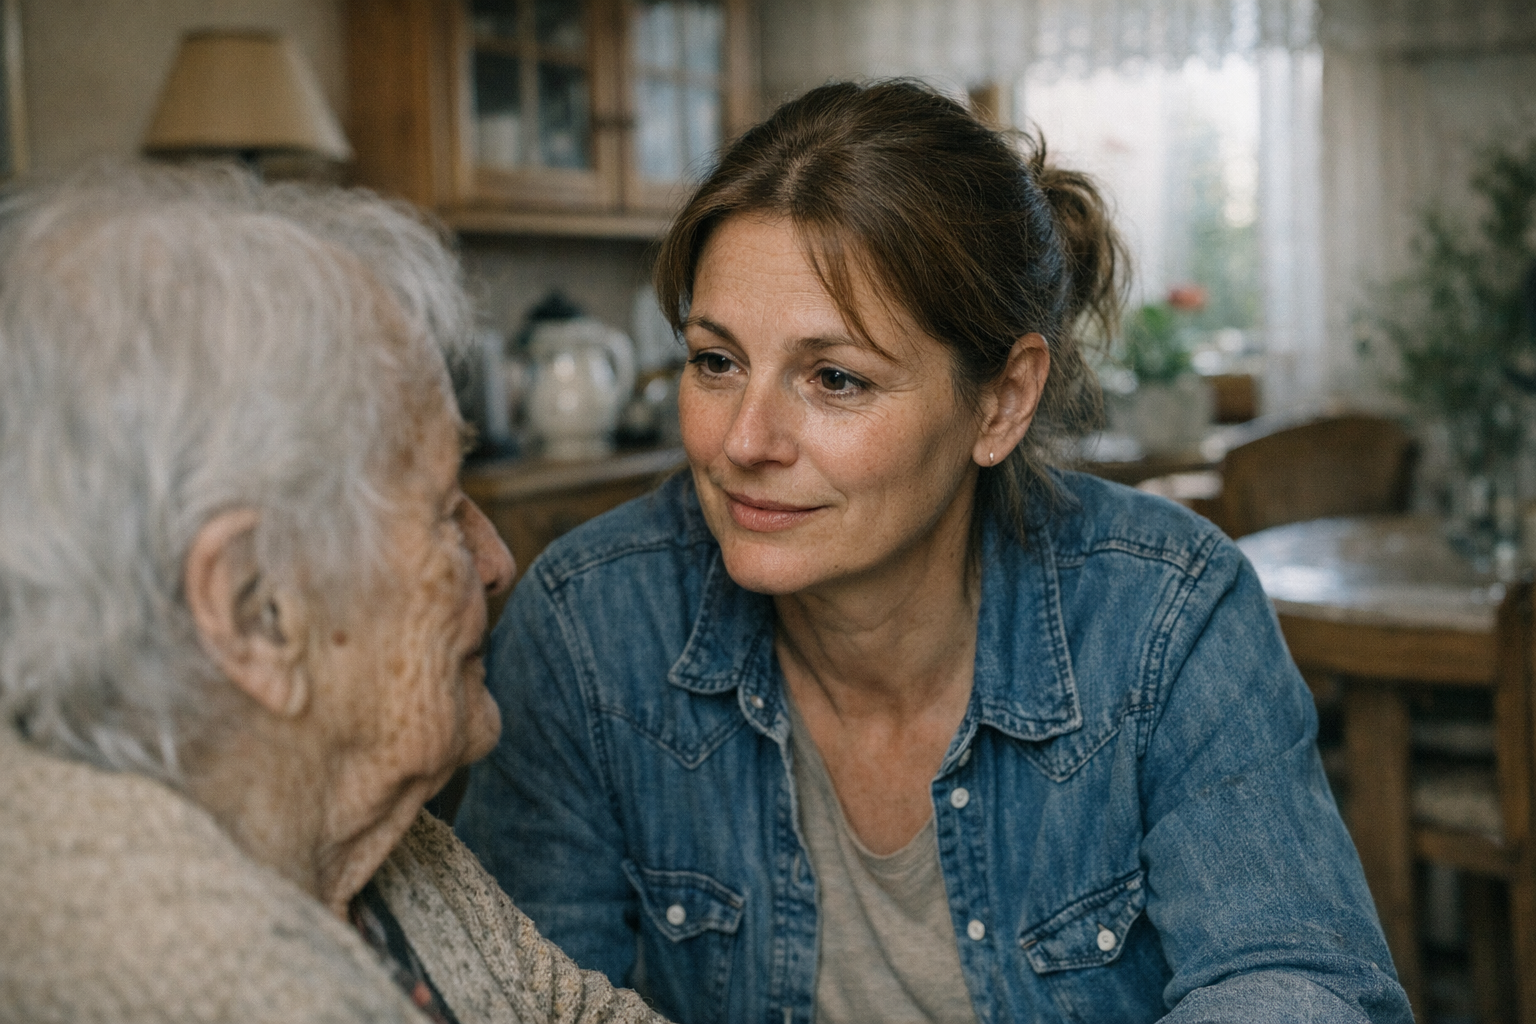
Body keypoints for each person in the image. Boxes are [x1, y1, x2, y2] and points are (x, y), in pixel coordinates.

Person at [455, 80, 1412, 1023]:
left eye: (833, 378)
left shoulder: (1167, 612)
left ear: (1000, 402)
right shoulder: (587, 626)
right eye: (716, 362)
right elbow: (516, 1000)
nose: (744, 441)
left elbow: (1300, 984)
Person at [0, 164, 668, 1024]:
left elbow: (574, 1012)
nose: (497, 561)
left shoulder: (365, 835)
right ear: (257, 609)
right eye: (441, 512)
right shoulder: (178, 982)